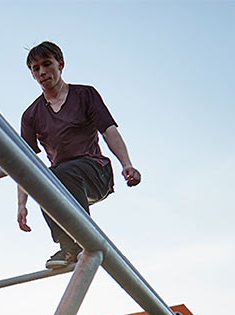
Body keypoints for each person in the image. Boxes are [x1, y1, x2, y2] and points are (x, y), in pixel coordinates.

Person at [16, 41, 141, 269]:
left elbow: (109, 130)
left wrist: (127, 164)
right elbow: (24, 163)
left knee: (60, 173)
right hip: (62, 180)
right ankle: (68, 248)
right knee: (44, 178)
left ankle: (84, 237)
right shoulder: (31, 115)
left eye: (47, 64)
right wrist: (22, 204)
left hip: (95, 172)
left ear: (60, 65)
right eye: (36, 69)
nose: (42, 72)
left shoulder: (85, 94)